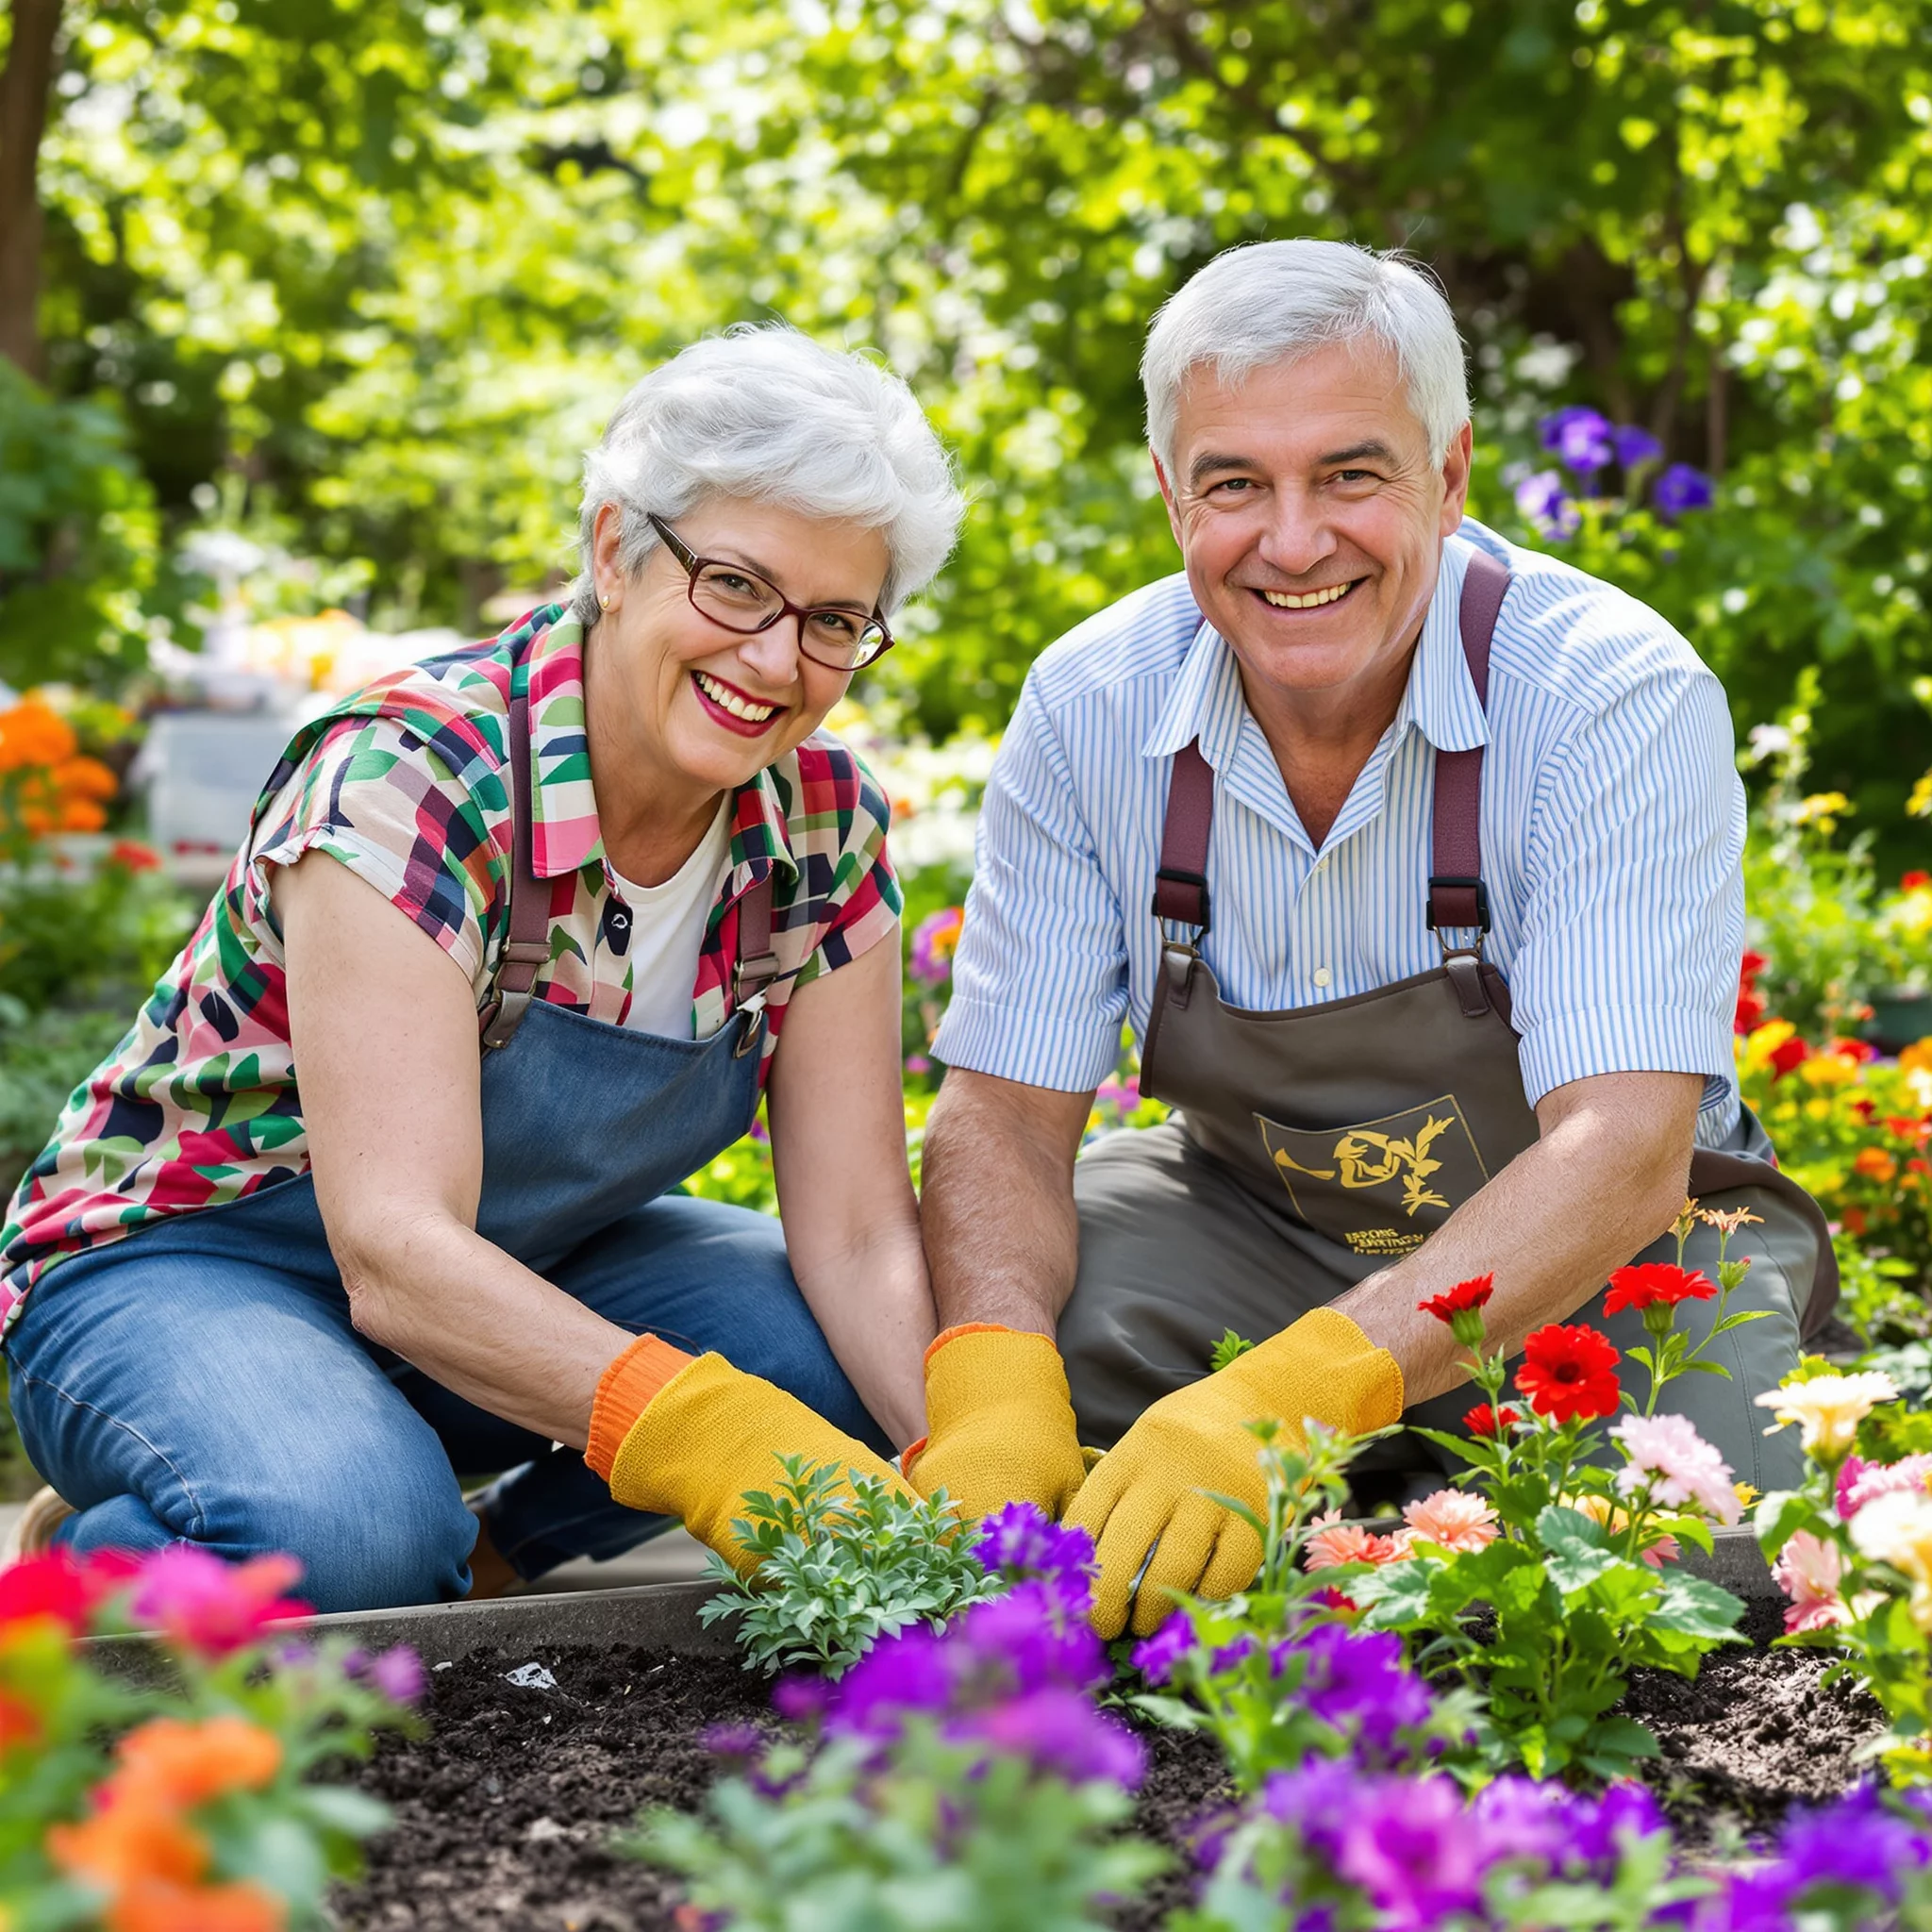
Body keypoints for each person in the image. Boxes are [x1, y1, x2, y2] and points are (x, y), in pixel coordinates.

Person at [906, 240, 1832, 1638]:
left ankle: (1363, 1500)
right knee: (961, 1360)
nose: (1292, 543)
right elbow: (1003, 1113)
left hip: (1598, 1254)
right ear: (1169, 496)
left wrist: (1299, 1395)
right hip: (1251, 1223)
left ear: (1449, 477)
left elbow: (1625, 1149)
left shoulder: (1608, 692)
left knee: (1705, 1513)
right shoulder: (1092, 702)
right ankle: (1356, 1505)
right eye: (1234, 484)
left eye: (1350, 474)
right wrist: (991, 1385)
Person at [1, 325, 959, 1610]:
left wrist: (969, 1476)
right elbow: (397, 1247)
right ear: (615, 551)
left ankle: (488, 1546)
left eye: (834, 620)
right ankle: (120, 1551)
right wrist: (701, 1435)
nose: (776, 661)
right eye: (735, 585)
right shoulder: (417, 777)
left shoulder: (823, 820)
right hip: (185, 1266)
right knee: (354, 1539)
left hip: (510, 1263)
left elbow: (855, 1232)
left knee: (817, 1357)